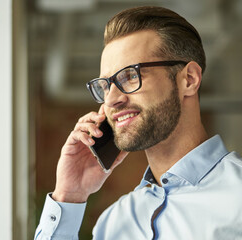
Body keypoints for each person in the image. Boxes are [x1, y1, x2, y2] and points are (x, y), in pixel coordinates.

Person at [34, 6, 242, 240]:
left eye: (131, 75)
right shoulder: (114, 223)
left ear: (189, 79)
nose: (112, 99)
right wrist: (69, 196)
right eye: (106, 86)